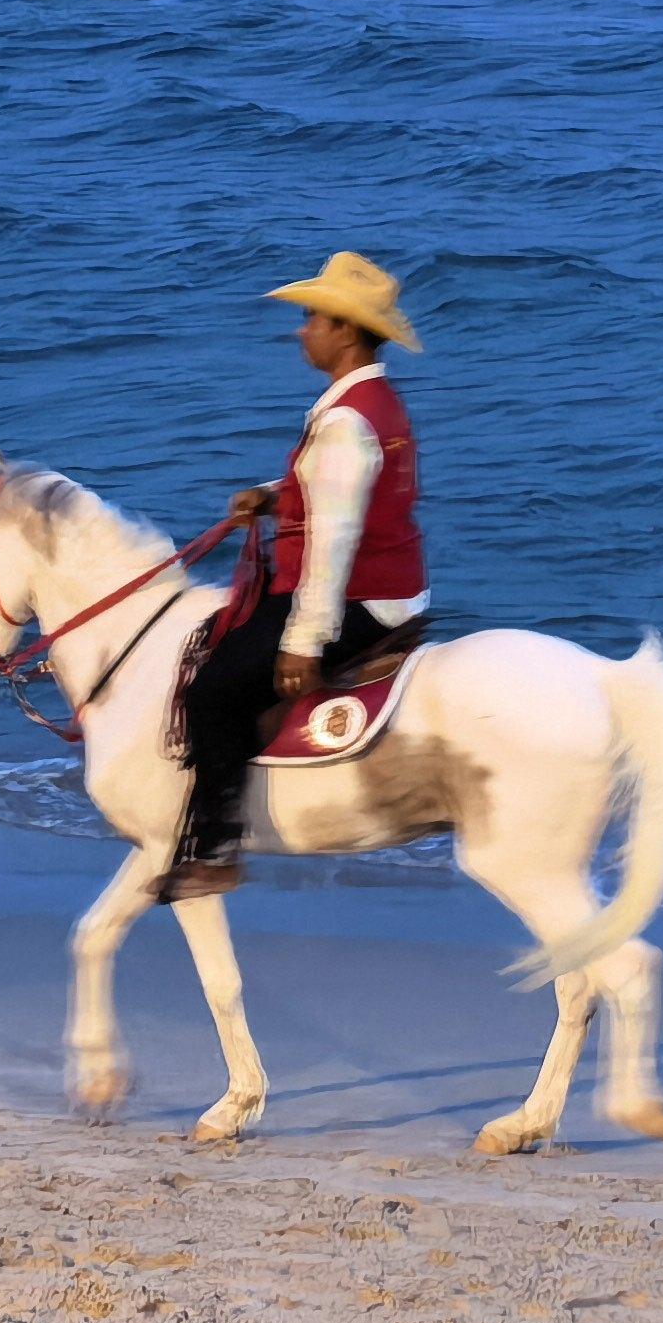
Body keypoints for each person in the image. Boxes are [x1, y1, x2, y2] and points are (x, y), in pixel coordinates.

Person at [165, 250, 432, 896]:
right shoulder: (374, 403)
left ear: (346, 330)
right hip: (396, 589)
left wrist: (303, 644)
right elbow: (338, 495)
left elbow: (334, 543)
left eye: (314, 318)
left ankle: (217, 849)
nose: (302, 330)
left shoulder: (345, 421)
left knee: (213, 689)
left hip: (363, 600)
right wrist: (272, 496)